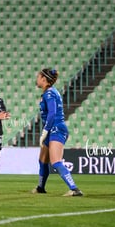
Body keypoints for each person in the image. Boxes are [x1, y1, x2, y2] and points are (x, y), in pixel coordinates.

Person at [32, 68, 83, 196]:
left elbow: (52, 114)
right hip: (53, 129)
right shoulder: (50, 92)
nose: (36, 79)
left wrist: (44, 132)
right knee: (42, 160)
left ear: (44, 79)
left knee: (55, 161)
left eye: (38, 77)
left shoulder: (49, 94)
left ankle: (74, 189)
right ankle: (40, 187)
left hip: (56, 129)